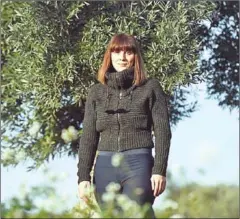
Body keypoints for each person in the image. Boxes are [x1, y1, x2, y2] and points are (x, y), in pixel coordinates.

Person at [77, 33, 172, 218]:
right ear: (109, 55)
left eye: (128, 52)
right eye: (117, 51)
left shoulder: (151, 87)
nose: (122, 57)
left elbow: (162, 132)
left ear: (135, 56)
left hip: (138, 163)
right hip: (104, 166)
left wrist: (159, 170)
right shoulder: (96, 92)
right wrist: (83, 178)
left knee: (137, 213)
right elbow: (88, 137)